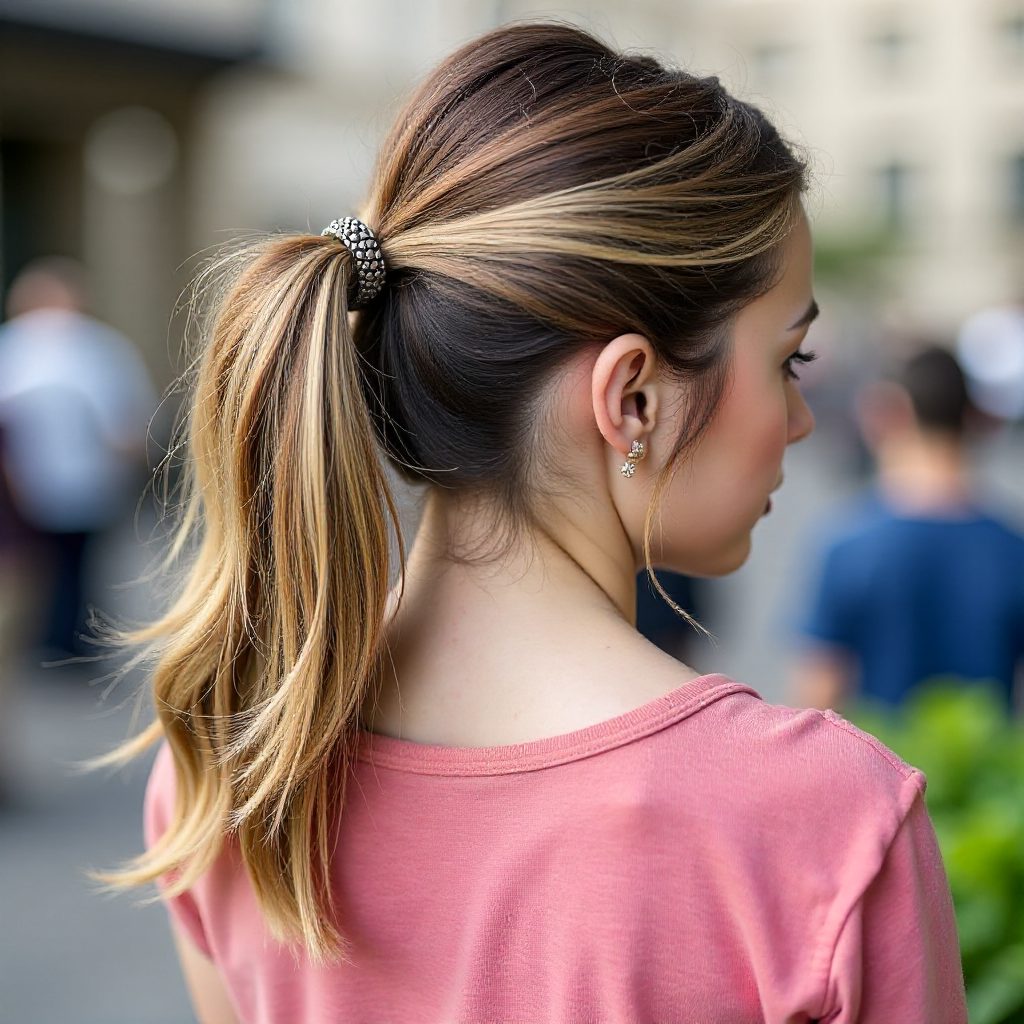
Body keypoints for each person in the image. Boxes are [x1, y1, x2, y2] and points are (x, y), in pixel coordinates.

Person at [94, 23, 967, 1023]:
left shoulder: (233, 767)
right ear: (632, 398)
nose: (802, 419)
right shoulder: (822, 824)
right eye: (788, 362)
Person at [791, 344, 1024, 716]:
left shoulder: (849, 545)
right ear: (972, 417)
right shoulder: (1013, 548)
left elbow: (818, 697)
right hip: (983, 771)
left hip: (875, 770)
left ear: (888, 413)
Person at [0, 257, 156, 658]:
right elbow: (133, 424)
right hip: (85, 484)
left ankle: (47, 640)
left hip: (29, 488)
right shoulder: (102, 348)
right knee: (76, 566)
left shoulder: (16, 345)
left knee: (42, 569)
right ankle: (70, 640)